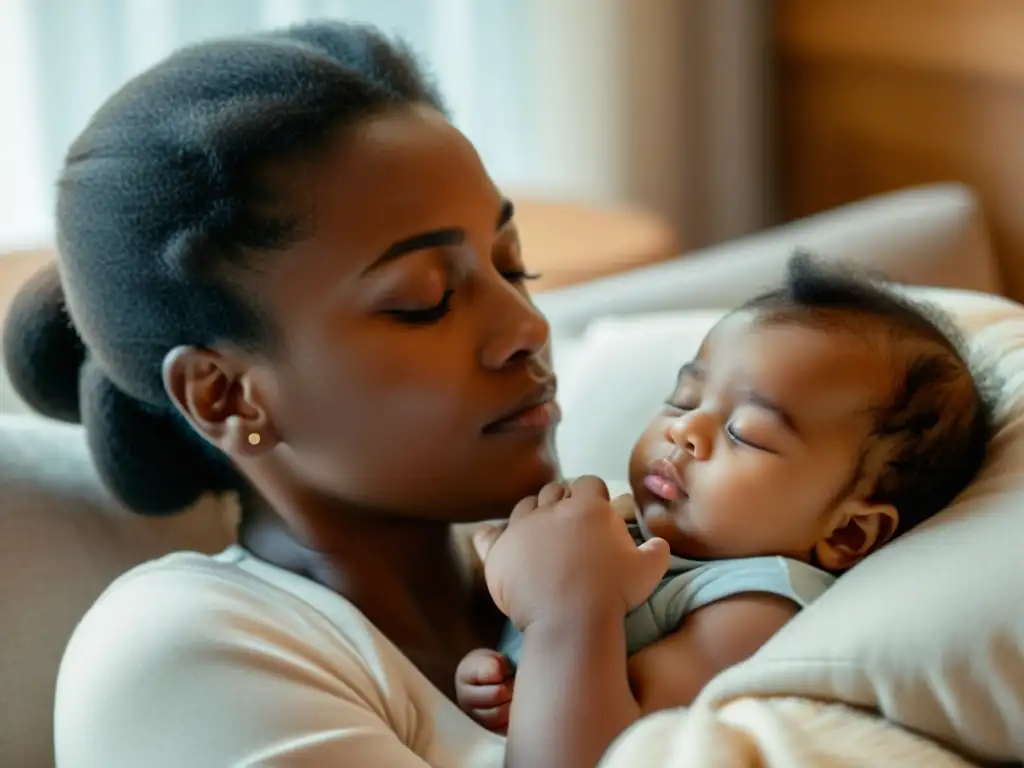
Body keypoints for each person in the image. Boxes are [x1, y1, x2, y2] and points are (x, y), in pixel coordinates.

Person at [2, 21, 664, 768]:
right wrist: (572, 625)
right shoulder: (182, 654)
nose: (526, 327)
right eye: (426, 300)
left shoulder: (616, 546)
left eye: (513, 267)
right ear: (226, 397)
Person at [454, 254, 992, 734]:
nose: (684, 430)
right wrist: (499, 672)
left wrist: (559, 610)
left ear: (847, 531)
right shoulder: (624, 523)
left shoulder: (752, 606)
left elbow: (596, 749)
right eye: (684, 399)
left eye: (746, 433)